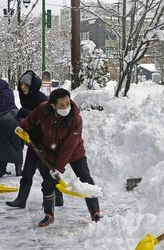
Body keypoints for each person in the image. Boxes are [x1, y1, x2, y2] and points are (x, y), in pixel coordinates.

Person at [18, 88, 100, 227]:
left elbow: (69, 145)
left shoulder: (75, 118)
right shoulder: (43, 109)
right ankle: (49, 214)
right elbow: (31, 119)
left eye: (67, 103)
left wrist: (58, 167)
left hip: (75, 152)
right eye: (61, 105)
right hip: (51, 150)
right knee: (48, 182)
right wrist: (22, 127)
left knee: (86, 179)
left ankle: (95, 213)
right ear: (52, 105)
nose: (66, 107)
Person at [6, 70, 64, 208]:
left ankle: (58, 197)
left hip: (44, 141)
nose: (23, 87)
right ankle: (21, 200)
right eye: (21, 84)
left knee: (44, 171)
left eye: (26, 85)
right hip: (33, 140)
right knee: (29, 171)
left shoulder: (40, 98)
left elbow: (44, 118)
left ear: (32, 86)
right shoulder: (26, 97)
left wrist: (23, 113)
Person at [0, 79, 23, 177]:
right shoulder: (8, 90)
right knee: (17, 145)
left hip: (4, 118)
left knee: (3, 146)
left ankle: (1, 170)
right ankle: (18, 170)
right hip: (14, 116)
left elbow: (2, 106)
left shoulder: (1, 93)